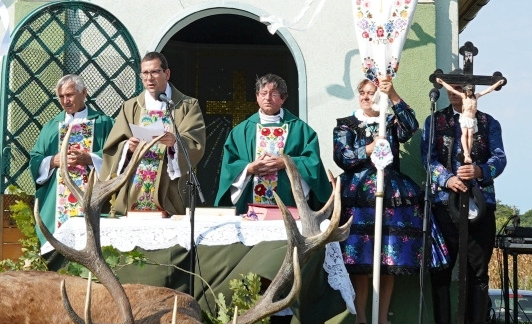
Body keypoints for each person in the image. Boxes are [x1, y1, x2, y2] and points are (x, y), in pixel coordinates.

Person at [332, 75, 425, 324]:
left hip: (391, 196)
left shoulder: (391, 122)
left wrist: (393, 95)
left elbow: (411, 127)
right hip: (359, 197)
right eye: (362, 92)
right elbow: (342, 157)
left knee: (387, 261)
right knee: (361, 260)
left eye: (371, 92)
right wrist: (369, 148)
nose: (366, 96)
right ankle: (361, 319)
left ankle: (382, 320)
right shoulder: (346, 124)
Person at [427, 74, 507, 324]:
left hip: (480, 203)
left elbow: (500, 158)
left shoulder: (488, 123)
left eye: (460, 88)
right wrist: (446, 178)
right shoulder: (435, 122)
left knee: (478, 267)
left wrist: (480, 170)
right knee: (441, 267)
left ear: (470, 91)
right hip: (444, 202)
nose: (454, 92)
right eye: (452, 88)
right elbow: (428, 157)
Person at [99, 52, 206, 217]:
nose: (149, 78)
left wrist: (175, 143)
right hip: (134, 188)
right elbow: (113, 147)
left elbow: (195, 143)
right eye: (145, 73)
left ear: (167, 74)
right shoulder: (130, 106)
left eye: (155, 72)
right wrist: (128, 147)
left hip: (168, 189)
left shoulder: (187, 105)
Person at [218, 74, 328, 216]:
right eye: (263, 93)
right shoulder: (241, 131)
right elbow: (229, 165)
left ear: (283, 98)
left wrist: (286, 163)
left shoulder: (301, 130)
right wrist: (248, 168)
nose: (268, 98)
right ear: (257, 97)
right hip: (250, 205)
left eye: (274, 94)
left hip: (289, 203)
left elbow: (312, 162)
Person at [32, 75, 113, 231]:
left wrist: (90, 158)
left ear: (84, 93)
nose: (65, 101)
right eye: (61, 96)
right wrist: (52, 161)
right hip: (57, 202)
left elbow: (116, 155)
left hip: (93, 194)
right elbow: (35, 158)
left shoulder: (104, 123)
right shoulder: (51, 127)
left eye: (69, 95)